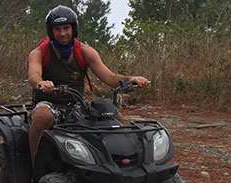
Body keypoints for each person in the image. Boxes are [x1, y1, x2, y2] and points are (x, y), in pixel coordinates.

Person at [26, 5, 151, 161]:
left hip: (76, 104)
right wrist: (41, 83)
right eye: (57, 29)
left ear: (73, 29)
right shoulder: (39, 53)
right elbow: (33, 75)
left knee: (112, 114)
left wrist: (131, 79)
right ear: (51, 31)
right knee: (42, 116)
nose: (63, 33)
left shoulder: (85, 51)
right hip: (48, 103)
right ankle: (34, 162)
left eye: (66, 28)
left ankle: (124, 159)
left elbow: (110, 77)